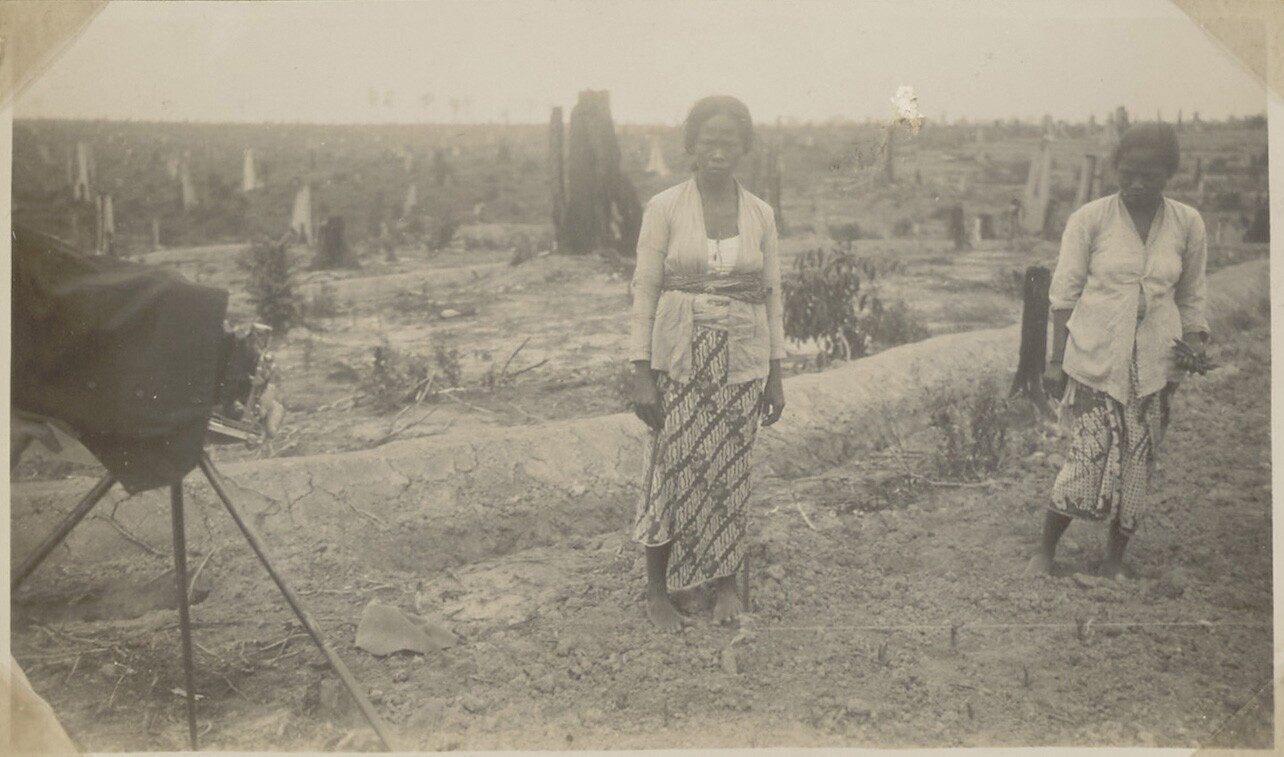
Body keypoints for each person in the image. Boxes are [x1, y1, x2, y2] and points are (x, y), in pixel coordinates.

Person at [629, 96, 786, 631]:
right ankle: (658, 592)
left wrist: (776, 375)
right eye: (709, 142)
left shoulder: (761, 213)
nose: (719, 152)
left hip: (742, 361)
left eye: (729, 142)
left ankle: (724, 585)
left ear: (744, 147)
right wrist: (641, 372)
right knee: (668, 469)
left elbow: (771, 295)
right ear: (692, 146)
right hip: (679, 358)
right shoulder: (665, 207)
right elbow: (645, 289)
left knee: (729, 470)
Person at [1029, 122, 1209, 579]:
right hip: (1096, 358)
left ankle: (1114, 559)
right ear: (1116, 169)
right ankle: (1045, 552)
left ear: (1169, 173)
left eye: (1150, 175)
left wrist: (1194, 344)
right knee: (1087, 455)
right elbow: (1064, 295)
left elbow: (1192, 295)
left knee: (1138, 462)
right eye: (1128, 174)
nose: (1138, 184)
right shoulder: (1090, 219)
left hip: (1155, 364)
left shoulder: (1187, 223)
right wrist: (1056, 361)